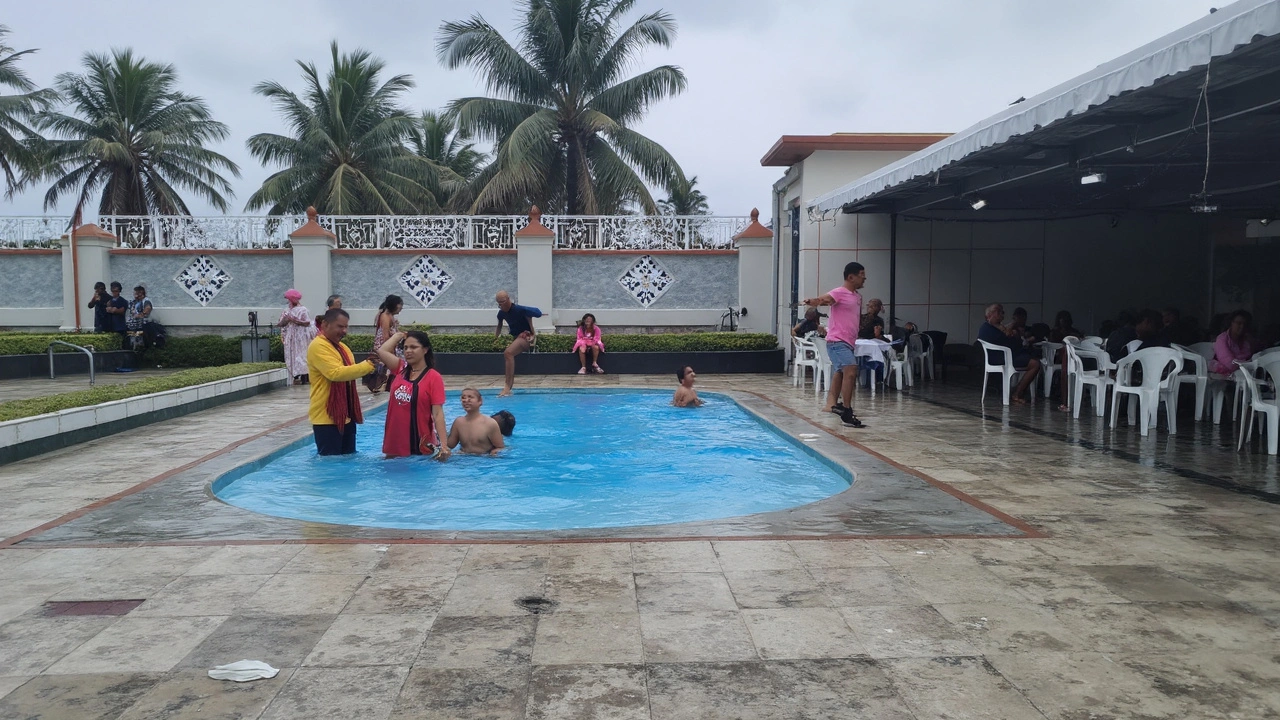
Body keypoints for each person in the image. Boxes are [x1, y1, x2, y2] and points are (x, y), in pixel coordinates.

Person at [803, 261, 867, 427]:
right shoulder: (839, 292)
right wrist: (813, 301)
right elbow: (826, 299)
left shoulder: (857, 297)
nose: (864, 278)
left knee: (840, 372)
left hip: (848, 342)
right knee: (851, 370)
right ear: (851, 277)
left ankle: (831, 405)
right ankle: (847, 410)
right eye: (861, 275)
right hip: (837, 341)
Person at [307, 308, 376, 455]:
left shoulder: (342, 347)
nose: (344, 331)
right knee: (330, 466)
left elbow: (350, 373)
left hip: (346, 414)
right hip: (327, 418)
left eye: (346, 326)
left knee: (348, 460)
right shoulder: (318, 346)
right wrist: (368, 365)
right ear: (325, 325)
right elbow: (335, 373)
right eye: (340, 326)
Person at [377, 330, 450, 460]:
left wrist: (444, 446)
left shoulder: (433, 377)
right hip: (394, 442)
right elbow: (382, 351)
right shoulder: (400, 368)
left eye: (413, 347)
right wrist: (398, 336)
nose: (408, 351)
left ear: (425, 350)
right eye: (405, 347)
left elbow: (438, 414)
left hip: (419, 446)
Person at [977, 303, 1041, 404]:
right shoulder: (987, 328)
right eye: (998, 311)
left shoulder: (998, 327)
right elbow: (1005, 341)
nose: (1001, 314)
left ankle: (1019, 389)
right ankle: (1017, 393)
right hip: (1001, 358)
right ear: (989, 315)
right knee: (1035, 364)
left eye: (1002, 311)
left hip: (1008, 356)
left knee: (1033, 357)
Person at [494, 290, 542, 397]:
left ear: (508, 299)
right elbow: (499, 326)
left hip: (527, 337)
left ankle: (507, 387)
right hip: (516, 338)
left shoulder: (519, 309)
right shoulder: (501, 313)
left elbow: (538, 313)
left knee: (508, 353)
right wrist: (494, 339)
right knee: (508, 354)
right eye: (499, 303)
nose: (501, 305)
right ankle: (508, 387)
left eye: (503, 302)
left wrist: (527, 310)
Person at [447, 387, 505, 455]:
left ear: (480, 401)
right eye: (463, 398)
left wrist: (494, 453)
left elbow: (500, 448)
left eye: (470, 397)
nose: (466, 400)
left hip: (483, 460)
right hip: (463, 459)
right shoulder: (458, 422)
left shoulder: (490, 424)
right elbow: (450, 445)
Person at [278, 289, 316, 384]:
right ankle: (295, 375)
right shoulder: (287, 310)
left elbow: (307, 322)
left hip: (300, 337)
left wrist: (294, 320)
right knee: (292, 355)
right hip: (291, 336)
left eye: (289, 299)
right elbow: (280, 324)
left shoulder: (302, 310)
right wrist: (285, 321)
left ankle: (304, 376)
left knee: (301, 355)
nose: (288, 301)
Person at [368, 294, 404, 393]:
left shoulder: (389, 315)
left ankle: (390, 386)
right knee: (384, 367)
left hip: (388, 345)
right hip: (384, 346)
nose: (401, 308)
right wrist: (390, 350)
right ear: (395, 305)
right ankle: (381, 386)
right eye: (400, 305)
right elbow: (385, 335)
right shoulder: (385, 316)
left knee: (388, 367)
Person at [1211, 309, 1257, 374]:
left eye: (1245, 324)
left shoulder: (1247, 340)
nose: (1242, 326)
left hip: (1245, 374)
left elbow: (1254, 360)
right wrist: (1247, 364)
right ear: (1231, 323)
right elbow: (1229, 364)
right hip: (1224, 377)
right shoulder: (1222, 339)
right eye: (1239, 323)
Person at [124, 285, 154, 351]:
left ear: (141, 293)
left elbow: (148, 308)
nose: (135, 295)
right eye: (135, 293)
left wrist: (141, 315)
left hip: (143, 326)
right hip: (133, 327)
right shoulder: (134, 301)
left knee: (140, 343)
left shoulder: (145, 301)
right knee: (132, 342)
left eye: (137, 293)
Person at [106, 281, 129, 347]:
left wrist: (113, 310)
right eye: (113, 291)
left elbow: (121, 311)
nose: (114, 293)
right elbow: (107, 309)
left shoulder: (123, 301)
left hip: (120, 326)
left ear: (119, 291)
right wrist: (113, 309)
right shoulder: (110, 300)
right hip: (111, 326)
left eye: (116, 291)